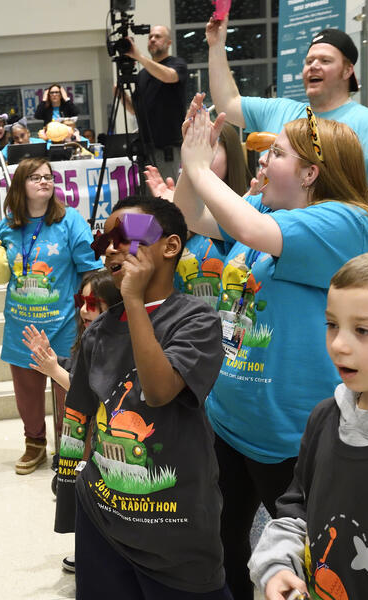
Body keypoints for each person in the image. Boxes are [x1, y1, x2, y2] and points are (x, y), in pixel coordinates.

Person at [173, 92, 368, 600]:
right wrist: (190, 159)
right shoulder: (260, 209)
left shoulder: (347, 221)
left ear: (311, 172)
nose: (263, 160)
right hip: (230, 422)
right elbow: (186, 215)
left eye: (278, 153)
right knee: (223, 547)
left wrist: (201, 167)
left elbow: (250, 228)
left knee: (317, 562)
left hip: (294, 440)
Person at [62, 194, 230, 597]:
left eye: (125, 236)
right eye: (105, 240)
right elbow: (79, 412)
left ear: (170, 246)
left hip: (174, 528)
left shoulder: (197, 319)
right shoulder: (99, 331)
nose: (112, 247)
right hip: (101, 516)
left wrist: (134, 301)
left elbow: (159, 392)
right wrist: (71, 488)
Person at [249, 248, 368, 600]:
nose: (338, 345)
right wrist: (277, 565)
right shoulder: (325, 416)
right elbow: (297, 506)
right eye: (332, 324)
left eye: (363, 330)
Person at [0, 157, 101, 475]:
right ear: (20, 185)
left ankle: (71, 450)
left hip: (63, 326)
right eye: (35, 178)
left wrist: (94, 311)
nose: (44, 181)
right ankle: (34, 444)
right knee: (28, 396)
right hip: (22, 326)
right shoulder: (8, 226)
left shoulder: (70, 220)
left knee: (68, 394)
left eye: (48, 177)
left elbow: (89, 269)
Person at [206, 20, 368, 214]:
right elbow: (228, 103)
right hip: (271, 237)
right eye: (309, 61)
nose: (313, 66)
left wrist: (328, 219)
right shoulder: (281, 110)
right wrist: (216, 45)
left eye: (325, 61)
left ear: (347, 70)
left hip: (332, 241)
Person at [22, 268, 122, 574]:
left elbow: (93, 391)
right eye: (82, 299)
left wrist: (54, 370)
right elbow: (79, 373)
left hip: (102, 440)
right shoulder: (91, 335)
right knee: (79, 493)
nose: (83, 309)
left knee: (99, 495)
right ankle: (90, 549)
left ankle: (104, 555)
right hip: (80, 435)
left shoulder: (117, 341)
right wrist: (55, 360)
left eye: (94, 303)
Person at [145, 121, 251, 305]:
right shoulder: (182, 208)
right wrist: (168, 218)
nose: (200, 158)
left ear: (231, 155)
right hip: (185, 326)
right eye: (192, 149)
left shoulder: (252, 208)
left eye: (212, 148)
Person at [121, 25, 189, 182]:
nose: (152, 39)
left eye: (157, 37)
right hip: (145, 148)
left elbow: (168, 77)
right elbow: (135, 110)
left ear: (169, 43)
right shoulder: (142, 75)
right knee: (147, 201)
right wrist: (121, 96)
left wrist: (139, 57)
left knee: (165, 196)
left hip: (167, 147)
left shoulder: (177, 64)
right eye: (150, 37)